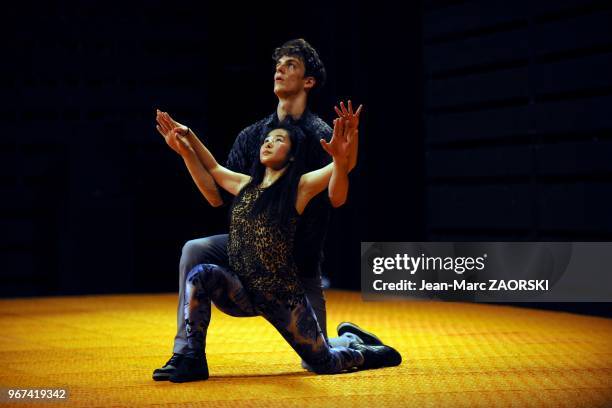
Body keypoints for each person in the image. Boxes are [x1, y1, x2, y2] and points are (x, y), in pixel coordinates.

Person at [153, 39, 385, 380]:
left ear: (308, 81)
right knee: (195, 249)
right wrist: (187, 147)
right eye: (278, 64)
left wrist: (344, 154)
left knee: (318, 358)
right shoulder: (253, 136)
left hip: (296, 270)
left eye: (290, 65)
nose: (279, 69)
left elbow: (337, 194)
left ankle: (351, 340)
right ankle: (187, 353)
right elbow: (216, 190)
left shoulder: (322, 135)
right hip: (249, 259)